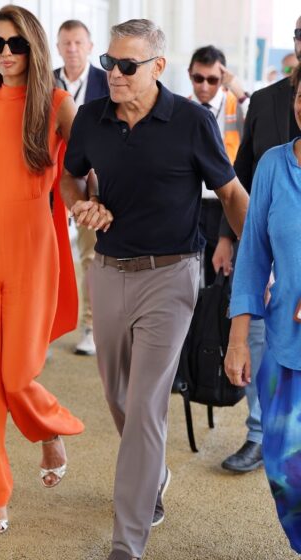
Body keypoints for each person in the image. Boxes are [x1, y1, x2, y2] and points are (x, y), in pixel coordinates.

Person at [61, 18, 249, 560]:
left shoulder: (191, 121)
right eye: (109, 64)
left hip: (172, 275)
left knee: (145, 405)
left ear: (157, 67)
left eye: (126, 65)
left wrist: (263, 258)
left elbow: (232, 194)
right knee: (118, 397)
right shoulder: (93, 119)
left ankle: (128, 540)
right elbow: (71, 177)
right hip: (110, 270)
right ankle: (154, 475)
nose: (114, 75)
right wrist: (81, 203)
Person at [0, 5, 84, 535]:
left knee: (15, 373)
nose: (5, 53)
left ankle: (50, 429)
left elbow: (85, 168)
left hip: (33, 245)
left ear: (34, 47)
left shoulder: (57, 104)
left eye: (16, 44)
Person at [216, 14, 301, 473]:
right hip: (268, 239)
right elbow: (242, 172)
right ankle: (257, 431)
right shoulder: (267, 101)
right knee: (258, 337)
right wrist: (228, 237)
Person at [225, 61, 301, 556]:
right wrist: (237, 337)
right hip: (283, 345)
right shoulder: (274, 164)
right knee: (283, 470)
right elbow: (253, 255)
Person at [54, 19, 109, 356]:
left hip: (92, 183)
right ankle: (43, 327)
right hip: (50, 185)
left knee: (91, 256)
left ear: (90, 47)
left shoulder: (108, 83)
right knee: (50, 259)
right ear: (58, 48)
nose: (72, 49)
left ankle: (91, 325)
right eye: (66, 43)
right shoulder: (45, 83)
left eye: (78, 43)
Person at [188, 45, 249, 286]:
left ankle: (215, 321)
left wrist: (238, 89)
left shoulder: (236, 104)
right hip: (193, 201)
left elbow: (261, 122)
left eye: (212, 79)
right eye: (198, 78)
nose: (204, 86)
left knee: (221, 273)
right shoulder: (184, 107)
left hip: (225, 201)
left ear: (222, 78)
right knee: (191, 270)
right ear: (189, 74)